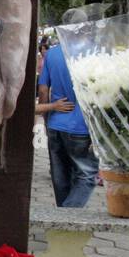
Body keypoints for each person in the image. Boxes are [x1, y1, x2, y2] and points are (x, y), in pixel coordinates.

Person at [37, 38, 97, 207]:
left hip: (57, 122)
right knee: (86, 175)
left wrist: (48, 119)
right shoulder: (94, 53)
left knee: (60, 177)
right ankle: (67, 216)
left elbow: (43, 90)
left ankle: (62, 221)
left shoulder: (52, 54)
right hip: (82, 126)